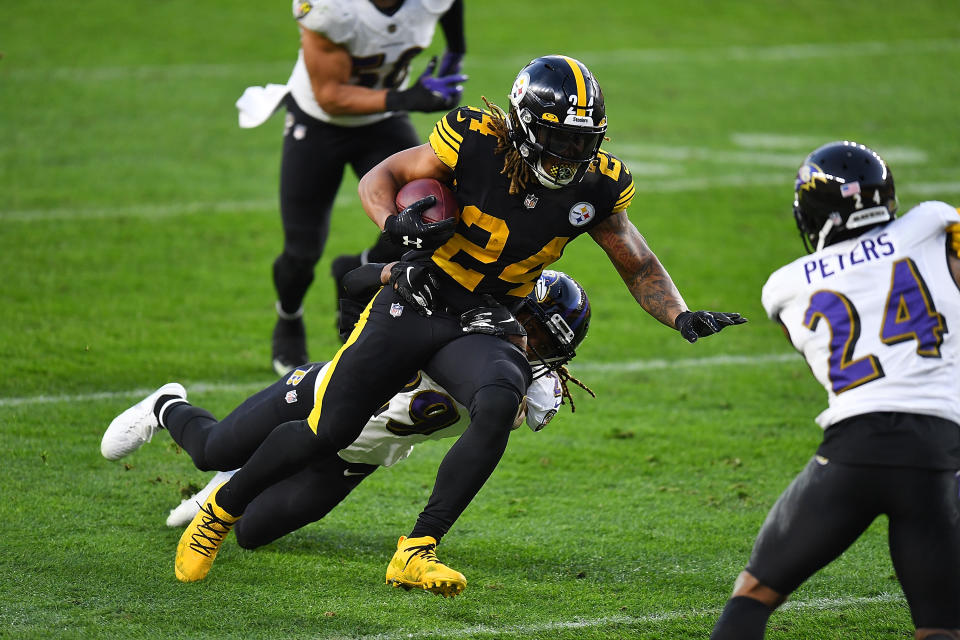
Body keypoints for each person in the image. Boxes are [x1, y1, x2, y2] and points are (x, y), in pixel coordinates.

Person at [171, 54, 746, 595]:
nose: (568, 153)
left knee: (500, 398)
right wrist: (395, 224)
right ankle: (220, 511)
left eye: (580, 140)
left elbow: (637, 260)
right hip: (418, 297)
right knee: (329, 430)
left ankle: (417, 548)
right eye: (557, 137)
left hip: (484, 319)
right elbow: (382, 175)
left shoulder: (596, 185)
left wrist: (680, 315)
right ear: (522, 125)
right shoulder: (476, 140)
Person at [102, 268, 593, 572]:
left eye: (543, 341)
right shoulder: (452, 322)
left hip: (357, 459)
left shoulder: (517, 386)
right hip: (316, 403)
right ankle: (167, 406)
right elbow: (358, 283)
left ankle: (235, 484)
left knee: (253, 535)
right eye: (525, 326)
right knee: (212, 450)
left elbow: (512, 409)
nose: (527, 344)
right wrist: (380, 291)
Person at [710, 141, 960, 640]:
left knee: (754, 596)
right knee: (941, 629)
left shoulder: (783, 287)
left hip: (855, 449)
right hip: (938, 452)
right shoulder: (933, 223)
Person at [234, 0, 468, 375]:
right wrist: (407, 98)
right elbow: (331, 95)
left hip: (383, 121)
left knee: (425, 215)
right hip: (319, 122)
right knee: (302, 250)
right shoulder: (331, 9)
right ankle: (289, 315)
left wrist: (457, 48)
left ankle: (358, 268)